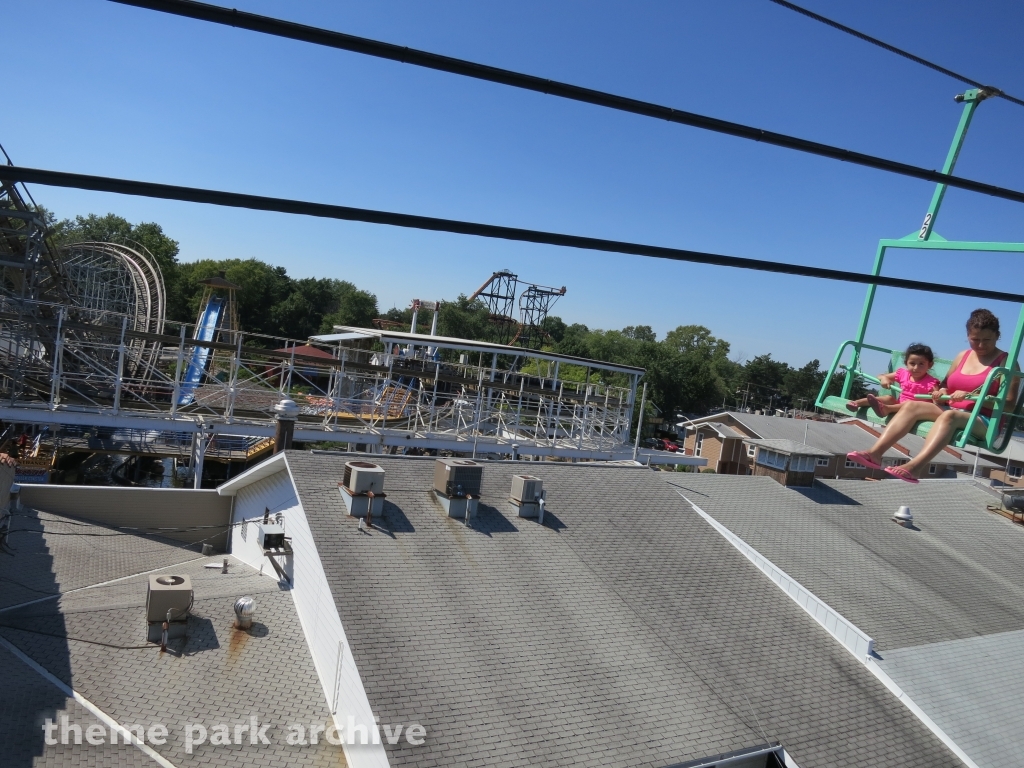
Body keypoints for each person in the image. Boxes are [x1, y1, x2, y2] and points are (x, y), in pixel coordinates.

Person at [846, 308, 1020, 483]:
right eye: (975, 340)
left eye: (987, 340)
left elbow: (1010, 404)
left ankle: (916, 467)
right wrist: (942, 392)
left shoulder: (1007, 363)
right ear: (968, 336)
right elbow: (945, 384)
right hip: (950, 407)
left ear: (997, 336)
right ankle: (874, 454)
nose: (980, 346)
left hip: (984, 420)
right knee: (911, 405)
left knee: (949, 416)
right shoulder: (963, 356)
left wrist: (971, 397)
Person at [846, 343, 939, 416]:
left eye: (921, 364)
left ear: (930, 365)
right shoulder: (903, 373)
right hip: (899, 404)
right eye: (912, 363)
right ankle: (856, 403)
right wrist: (884, 379)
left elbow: (938, 403)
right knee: (889, 398)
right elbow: (881, 375)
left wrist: (936, 396)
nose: (916, 368)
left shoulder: (931, 383)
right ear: (906, 363)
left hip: (914, 410)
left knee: (908, 404)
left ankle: (886, 409)